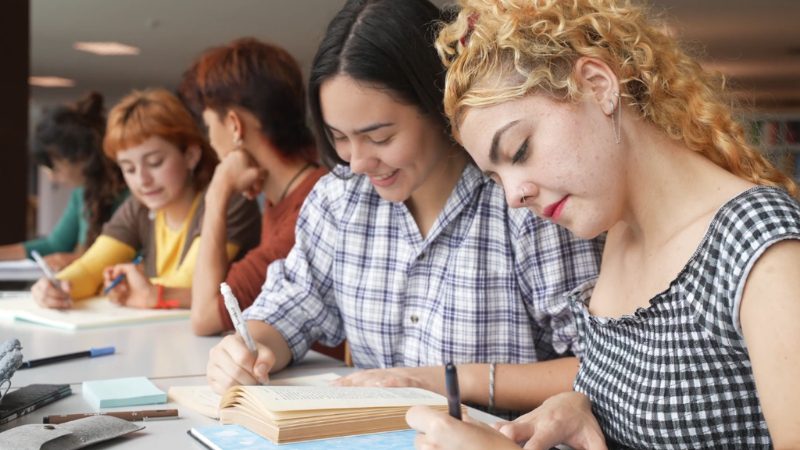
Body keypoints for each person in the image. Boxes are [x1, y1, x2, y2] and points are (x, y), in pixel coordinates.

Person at [407, 0, 800, 448]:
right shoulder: (620, 231)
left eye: (519, 151)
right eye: (496, 178)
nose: (514, 197)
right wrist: (581, 404)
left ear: (598, 86)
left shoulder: (761, 249)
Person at [206, 0, 602, 417]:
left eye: (379, 137)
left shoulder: (525, 203)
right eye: (338, 136)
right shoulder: (340, 201)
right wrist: (248, 349)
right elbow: (293, 306)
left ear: (438, 105)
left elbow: (598, 368)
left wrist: (441, 380)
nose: (357, 162)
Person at [31, 89, 260, 310]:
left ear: (190, 155)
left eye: (155, 163)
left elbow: (190, 283)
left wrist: (140, 289)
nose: (142, 180)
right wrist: (56, 285)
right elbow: (91, 268)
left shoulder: (228, 200)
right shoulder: (138, 206)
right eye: (129, 169)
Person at [179, 38, 327, 338]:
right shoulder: (284, 197)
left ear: (235, 126)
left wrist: (218, 191)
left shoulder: (311, 207)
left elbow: (205, 316)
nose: (210, 140)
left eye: (209, 126)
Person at [0, 92, 127, 270]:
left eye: (55, 168)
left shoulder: (129, 194)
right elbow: (54, 245)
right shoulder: (81, 194)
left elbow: (135, 256)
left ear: (81, 158)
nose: (52, 177)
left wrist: (77, 260)